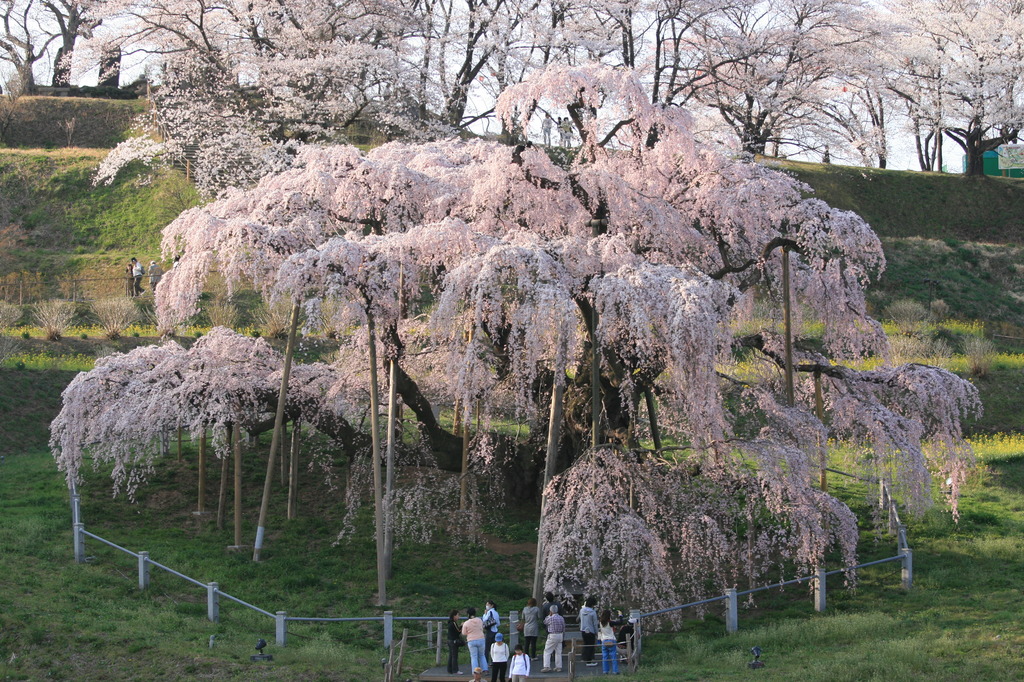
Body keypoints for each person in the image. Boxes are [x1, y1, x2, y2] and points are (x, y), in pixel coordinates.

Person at [462, 606, 488, 673]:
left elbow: (464, 633)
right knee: (482, 655)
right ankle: (485, 669)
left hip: (471, 640)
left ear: (468, 614)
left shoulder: (466, 623)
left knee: (474, 657)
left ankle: (475, 671)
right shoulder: (480, 620)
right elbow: (482, 628)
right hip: (481, 639)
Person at [541, 603, 565, 673]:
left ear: (550, 611)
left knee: (547, 651)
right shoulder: (561, 618)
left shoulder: (550, 618)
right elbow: (564, 627)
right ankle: (558, 667)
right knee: (558, 652)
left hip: (552, 635)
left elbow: (544, 622)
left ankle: (547, 666)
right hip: (560, 635)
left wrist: (549, 615)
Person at [579, 596, 598, 666]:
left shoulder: (581, 611)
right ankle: (589, 661)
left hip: (583, 630)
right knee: (591, 645)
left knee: (586, 644)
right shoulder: (593, 612)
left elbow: (580, 619)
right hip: (591, 630)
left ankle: (584, 658)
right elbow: (595, 623)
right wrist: (596, 632)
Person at [599, 609, 618, 675]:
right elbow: (620, 622)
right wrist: (620, 615)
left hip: (604, 641)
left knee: (605, 657)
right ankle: (615, 671)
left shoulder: (601, 622)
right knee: (613, 656)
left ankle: (605, 671)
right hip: (611, 640)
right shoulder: (610, 622)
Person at [447, 608, 463, 674]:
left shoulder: (450, 622)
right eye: (458, 615)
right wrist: (462, 625)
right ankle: (455, 670)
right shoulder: (453, 623)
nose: (458, 617)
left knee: (451, 656)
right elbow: (458, 631)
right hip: (453, 641)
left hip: (449, 640)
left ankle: (449, 669)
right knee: (454, 656)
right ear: (454, 616)